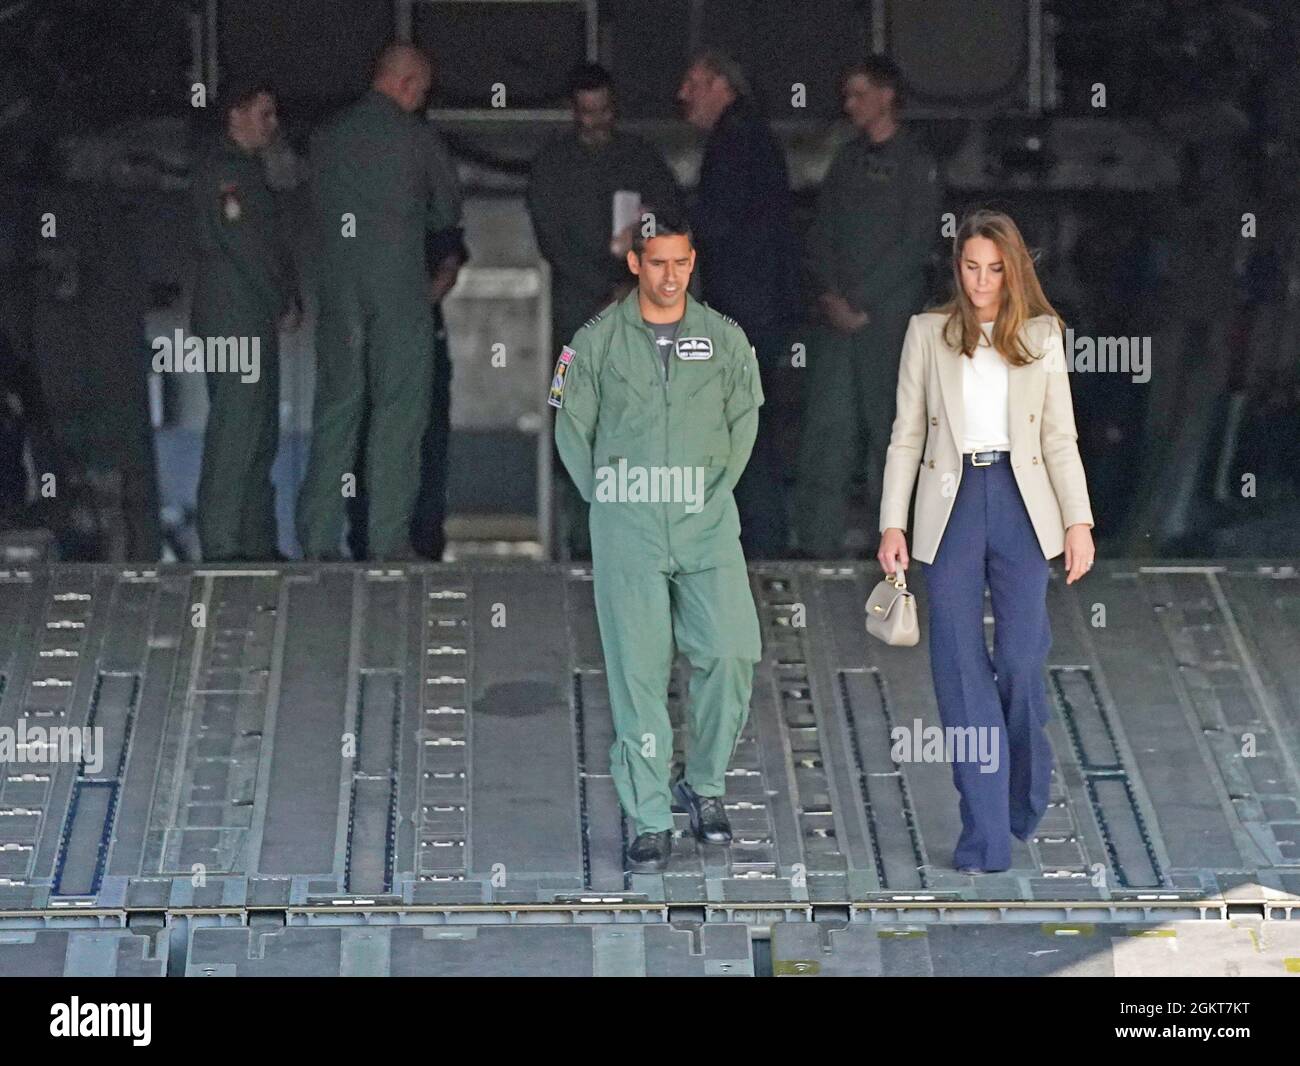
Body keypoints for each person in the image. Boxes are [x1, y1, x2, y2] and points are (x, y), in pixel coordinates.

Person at [876, 210, 1096, 874]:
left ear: (1014, 269)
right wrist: (893, 523)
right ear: (957, 267)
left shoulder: (1042, 334)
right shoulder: (926, 334)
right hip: (951, 505)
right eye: (971, 266)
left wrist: (1078, 521)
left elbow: (1059, 437)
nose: (981, 280)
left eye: (994, 268)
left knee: (1023, 659)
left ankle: (1025, 786)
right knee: (958, 668)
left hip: (1025, 504)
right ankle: (986, 836)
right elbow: (907, 434)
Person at [552, 211, 763, 873]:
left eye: (681, 263)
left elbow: (744, 419)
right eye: (657, 263)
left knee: (731, 653)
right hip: (630, 532)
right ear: (635, 265)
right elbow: (571, 433)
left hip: (705, 525)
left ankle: (702, 785)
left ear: (692, 262)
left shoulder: (725, 340)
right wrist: (612, 505)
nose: (670, 276)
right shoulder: (593, 344)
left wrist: (709, 491)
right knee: (638, 677)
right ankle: (649, 817)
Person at [297, 42, 456, 560]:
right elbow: (445, 212)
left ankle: (318, 539)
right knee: (399, 416)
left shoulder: (326, 138)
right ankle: (387, 540)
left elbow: (314, 207)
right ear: (407, 84)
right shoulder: (417, 138)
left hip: (340, 292)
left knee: (338, 409)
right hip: (400, 291)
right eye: (422, 92)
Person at [527, 62, 681, 559]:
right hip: (578, 319)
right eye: (585, 112)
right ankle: (580, 543)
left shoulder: (641, 161)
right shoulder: (552, 165)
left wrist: (630, 286)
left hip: (638, 319)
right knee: (577, 425)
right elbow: (552, 241)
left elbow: (672, 223)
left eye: (603, 111)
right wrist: (606, 289)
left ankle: (636, 543)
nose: (595, 121)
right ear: (573, 111)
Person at [796, 56, 940, 557]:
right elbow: (822, 233)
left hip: (887, 321)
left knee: (891, 432)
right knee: (828, 431)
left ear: (887, 96)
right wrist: (833, 295)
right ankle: (819, 543)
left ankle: (896, 544)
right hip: (841, 322)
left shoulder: (915, 164)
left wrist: (862, 300)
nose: (849, 104)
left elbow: (915, 244)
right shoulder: (847, 161)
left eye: (859, 94)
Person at [677, 50, 797, 558]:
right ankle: (756, 538)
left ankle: (757, 541)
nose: (683, 97)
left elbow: (720, 222)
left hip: (745, 311)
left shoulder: (735, 141)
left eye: (694, 85)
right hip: (753, 308)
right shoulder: (746, 136)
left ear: (721, 85)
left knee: (744, 428)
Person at [347, 90, 467, 562]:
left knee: (424, 437)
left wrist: (413, 307)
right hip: (375, 331)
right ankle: (370, 539)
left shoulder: (429, 206)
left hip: (415, 331)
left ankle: (418, 539)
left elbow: (450, 258)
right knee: (367, 435)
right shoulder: (363, 208)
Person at [191, 77, 299, 561]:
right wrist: (282, 299)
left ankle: (254, 541)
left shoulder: (247, 171)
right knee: (238, 429)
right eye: (264, 113)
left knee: (258, 432)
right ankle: (223, 542)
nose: (272, 124)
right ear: (235, 115)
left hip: (247, 317)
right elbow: (247, 246)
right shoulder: (226, 173)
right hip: (235, 318)